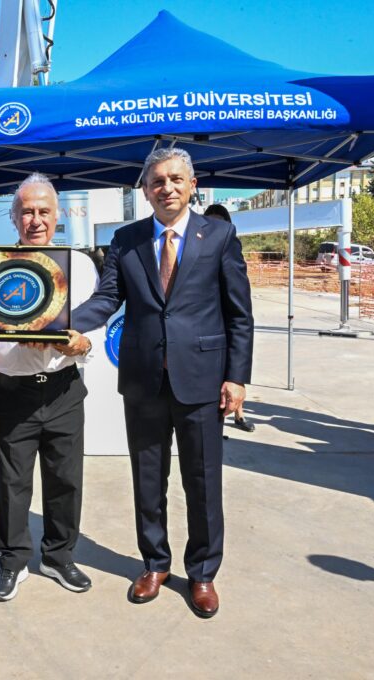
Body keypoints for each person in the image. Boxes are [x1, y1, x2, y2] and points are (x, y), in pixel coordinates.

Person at [72, 147, 253, 618]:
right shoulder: (126, 239)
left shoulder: (219, 235)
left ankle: (203, 572)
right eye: (157, 182)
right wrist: (61, 324)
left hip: (203, 380)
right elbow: (107, 297)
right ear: (145, 190)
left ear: (193, 185)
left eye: (176, 180)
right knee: (148, 479)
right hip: (144, 380)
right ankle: (155, 563)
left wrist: (237, 377)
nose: (167, 188)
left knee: (203, 481)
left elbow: (240, 315)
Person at [0, 173, 97, 602]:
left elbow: (88, 328)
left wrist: (82, 342)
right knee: (12, 482)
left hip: (63, 389)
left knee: (66, 480)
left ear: (58, 216)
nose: (35, 219)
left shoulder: (81, 265)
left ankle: (58, 557)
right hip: (13, 390)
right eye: (26, 212)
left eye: (43, 211)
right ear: (14, 217)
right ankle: (12, 562)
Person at [203, 203, 255, 433]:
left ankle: (240, 414)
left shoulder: (230, 247)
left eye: (219, 223)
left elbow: (240, 309)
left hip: (227, 325)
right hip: (207, 328)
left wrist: (238, 378)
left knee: (231, 376)